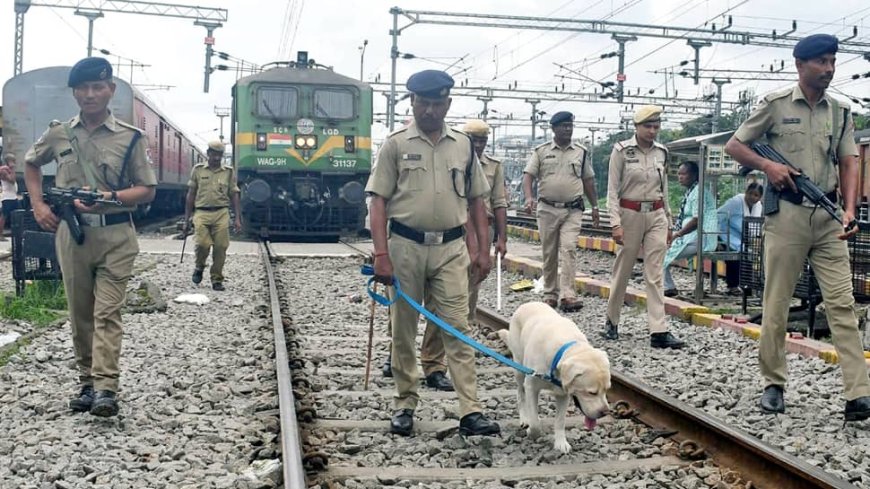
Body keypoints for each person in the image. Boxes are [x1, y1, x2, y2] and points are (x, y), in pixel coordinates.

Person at [724, 33, 870, 419]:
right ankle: (773, 383)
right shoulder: (774, 105)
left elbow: (849, 161)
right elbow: (735, 145)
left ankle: (858, 393)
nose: (829, 69)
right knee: (777, 303)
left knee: (842, 304)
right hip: (786, 216)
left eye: (832, 61)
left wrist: (850, 209)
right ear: (800, 65)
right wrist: (768, 166)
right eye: (821, 61)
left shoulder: (840, 112)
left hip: (829, 217)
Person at [366, 69, 500, 437]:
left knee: (457, 327)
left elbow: (477, 201)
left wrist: (482, 250)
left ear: (448, 104)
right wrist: (381, 254)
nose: (428, 110)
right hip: (405, 246)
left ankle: (470, 411)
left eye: (436, 103)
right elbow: (378, 201)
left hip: (451, 249)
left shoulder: (462, 146)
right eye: (421, 102)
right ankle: (405, 403)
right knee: (404, 329)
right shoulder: (394, 144)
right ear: (412, 102)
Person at [24, 57, 157, 417]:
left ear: (110, 90)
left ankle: (106, 389)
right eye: (82, 88)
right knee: (80, 313)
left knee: (107, 313)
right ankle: (87, 382)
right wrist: (38, 205)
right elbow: (31, 163)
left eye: (98, 87)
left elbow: (147, 190)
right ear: (74, 93)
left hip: (116, 236)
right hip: (73, 237)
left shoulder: (131, 137)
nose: (90, 94)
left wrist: (109, 199)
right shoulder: (59, 134)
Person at [416, 119, 508, 391]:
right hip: (448, 235)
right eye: (473, 139)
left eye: (482, 140)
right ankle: (404, 356)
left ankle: (438, 362)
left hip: (478, 235)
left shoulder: (494, 167)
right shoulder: (447, 158)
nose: (478, 145)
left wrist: (499, 240)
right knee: (421, 304)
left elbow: (497, 203)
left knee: (459, 305)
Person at [602, 105, 686, 349]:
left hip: (657, 214)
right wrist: (615, 223)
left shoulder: (662, 152)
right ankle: (612, 320)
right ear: (636, 127)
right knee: (623, 270)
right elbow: (612, 190)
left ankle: (658, 330)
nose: (652, 131)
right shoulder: (622, 151)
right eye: (647, 126)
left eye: (656, 126)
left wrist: (669, 222)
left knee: (655, 273)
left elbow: (665, 189)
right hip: (630, 214)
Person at [522, 111, 599, 311]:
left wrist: (595, 206)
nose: (568, 129)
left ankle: (568, 295)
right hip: (547, 209)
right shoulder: (541, 151)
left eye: (570, 125)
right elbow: (528, 176)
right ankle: (550, 293)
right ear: (553, 128)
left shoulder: (580, 152)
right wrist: (529, 197)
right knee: (549, 252)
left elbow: (588, 181)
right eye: (563, 126)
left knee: (569, 249)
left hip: (572, 210)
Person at [184, 140, 242, 291]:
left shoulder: (228, 172)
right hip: (202, 212)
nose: (217, 158)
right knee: (202, 244)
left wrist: (237, 218)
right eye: (214, 154)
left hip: (221, 212)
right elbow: (191, 194)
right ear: (208, 153)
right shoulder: (198, 170)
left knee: (221, 246)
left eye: (220, 155)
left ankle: (217, 279)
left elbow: (234, 194)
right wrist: (187, 218)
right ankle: (199, 266)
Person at [662, 161, 718, 297]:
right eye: (679, 174)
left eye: (684, 174)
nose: (680, 177)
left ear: (693, 175)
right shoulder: (692, 191)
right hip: (690, 236)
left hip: (700, 236)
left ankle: (668, 287)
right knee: (660, 250)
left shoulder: (699, 192)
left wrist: (678, 234)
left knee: (660, 253)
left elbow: (696, 220)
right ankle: (667, 286)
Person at [717, 183, 763, 295]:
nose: (753, 197)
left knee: (749, 255)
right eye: (750, 193)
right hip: (725, 234)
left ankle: (747, 286)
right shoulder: (735, 202)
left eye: (756, 195)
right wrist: (715, 238)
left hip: (742, 237)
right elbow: (717, 215)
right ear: (746, 192)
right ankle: (733, 286)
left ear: (760, 197)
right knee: (736, 255)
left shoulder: (758, 206)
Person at [0, 153, 20, 239]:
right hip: (7, 197)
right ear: (9, 161)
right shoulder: (3, 171)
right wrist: (12, 168)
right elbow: (12, 180)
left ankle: (16, 233)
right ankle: (0, 234)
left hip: (13, 197)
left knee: (17, 215)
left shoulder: (8, 170)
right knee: (4, 216)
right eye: (13, 160)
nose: (15, 162)